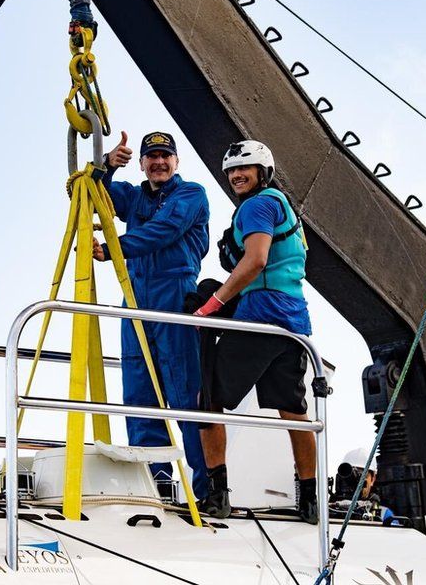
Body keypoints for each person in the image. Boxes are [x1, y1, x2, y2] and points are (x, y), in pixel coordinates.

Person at [193, 139, 318, 523]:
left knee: (207, 399)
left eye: (244, 168)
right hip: (294, 323)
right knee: (293, 412)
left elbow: (256, 260)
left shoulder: (257, 205)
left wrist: (213, 304)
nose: (236, 175)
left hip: (262, 316)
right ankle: (311, 499)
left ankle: (217, 495)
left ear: (263, 172)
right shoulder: (284, 208)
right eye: (231, 170)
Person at [93, 130, 210, 500]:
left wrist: (115, 247)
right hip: (135, 300)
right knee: (140, 398)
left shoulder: (191, 194)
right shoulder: (133, 196)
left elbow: (166, 229)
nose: (159, 162)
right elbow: (93, 193)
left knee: (187, 397)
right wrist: (107, 165)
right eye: (152, 156)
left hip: (175, 296)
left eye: (165, 155)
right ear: (142, 163)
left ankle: (208, 490)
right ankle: (155, 488)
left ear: (176, 161)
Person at [330, 447, 396, 524]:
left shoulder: (385, 515)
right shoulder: (326, 511)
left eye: (362, 475)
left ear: (373, 479)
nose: (354, 481)